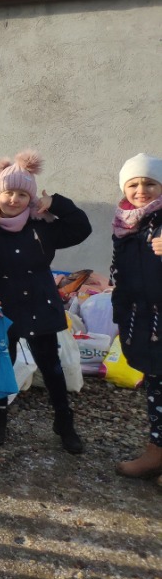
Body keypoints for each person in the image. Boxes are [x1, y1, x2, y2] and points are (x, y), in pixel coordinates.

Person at [0, 150, 91, 453]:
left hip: (40, 303)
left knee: (51, 366)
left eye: (21, 194)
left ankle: (64, 421)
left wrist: (56, 202)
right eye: (8, 193)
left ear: (31, 198)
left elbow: (82, 228)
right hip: (2, 307)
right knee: (3, 364)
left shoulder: (43, 226)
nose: (14, 200)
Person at [110, 153, 162, 484]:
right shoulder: (126, 225)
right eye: (133, 184)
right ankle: (156, 452)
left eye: (149, 183)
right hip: (143, 319)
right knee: (156, 387)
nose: (141, 190)